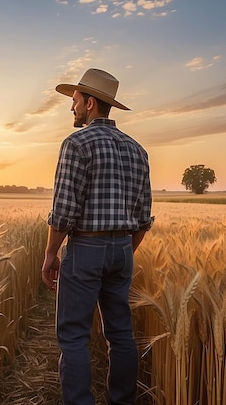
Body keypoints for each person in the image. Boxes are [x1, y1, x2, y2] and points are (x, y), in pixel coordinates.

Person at [41, 68, 153, 405]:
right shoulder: (138, 150)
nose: (70, 107)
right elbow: (143, 217)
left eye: (74, 101)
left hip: (86, 248)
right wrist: (121, 250)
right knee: (120, 333)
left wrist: (50, 254)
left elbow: (63, 210)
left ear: (90, 103)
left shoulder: (76, 143)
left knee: (73, 335)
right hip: (123, 249)